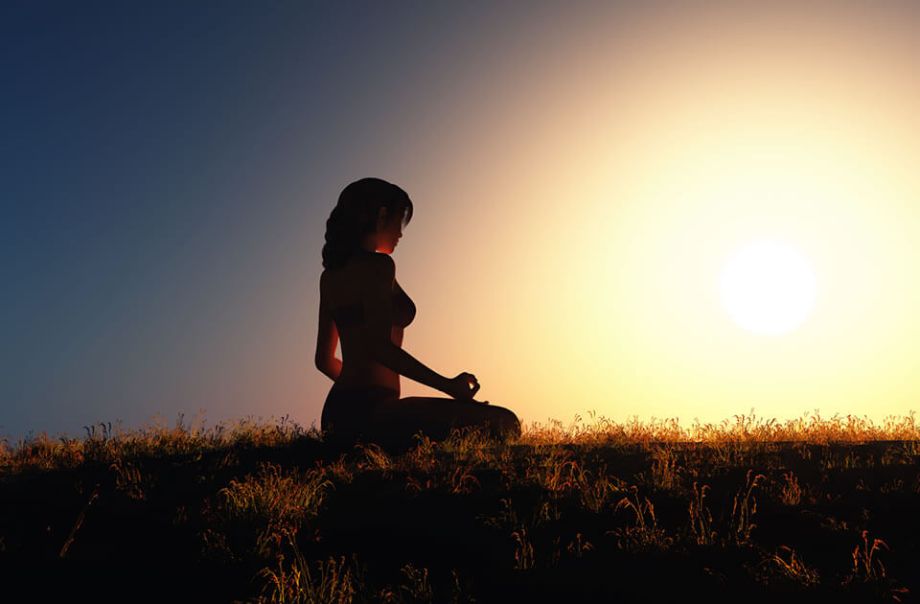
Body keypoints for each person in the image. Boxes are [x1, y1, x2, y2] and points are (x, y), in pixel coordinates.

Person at [315, 177, 522, 450]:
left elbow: (324, 361)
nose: (400, 234)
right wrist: (448, 386)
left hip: (337, 415)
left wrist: (354, 386)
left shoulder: (329, 278)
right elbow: (379, 346)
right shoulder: (380, 267)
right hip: (375, 413)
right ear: (381, 215)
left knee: (497, 423)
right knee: (506, 422)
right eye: (400, 222)